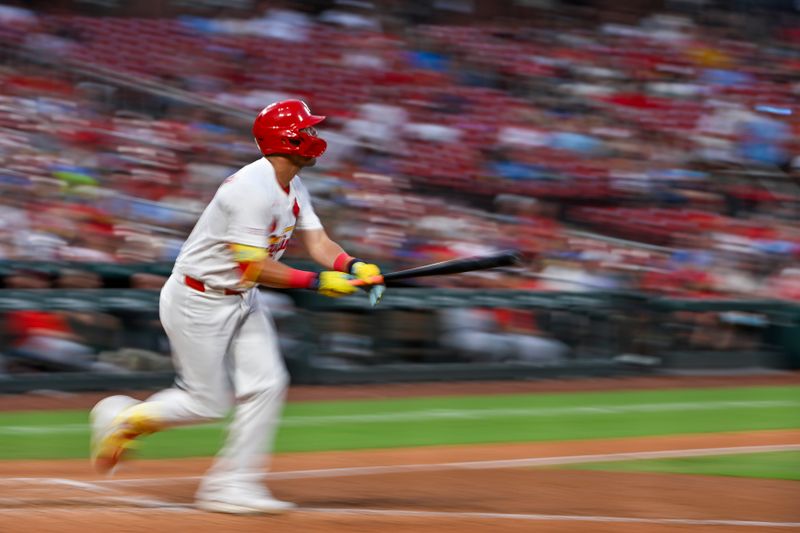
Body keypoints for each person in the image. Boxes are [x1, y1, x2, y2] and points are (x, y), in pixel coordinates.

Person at [89, 100, 385, 514]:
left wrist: (352, 265)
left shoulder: (293, 185)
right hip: (199, 298)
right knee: (206, 403)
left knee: (267, 384)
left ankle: (231, 485)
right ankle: (125, 419)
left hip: (242, 297)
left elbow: (318, 242)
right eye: (308, 131)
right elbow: (251, 265)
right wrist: (318, 282)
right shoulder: (249, 188)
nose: (316, 138)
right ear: (288, 138)